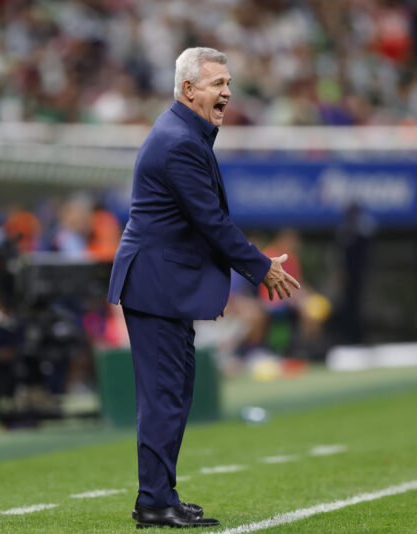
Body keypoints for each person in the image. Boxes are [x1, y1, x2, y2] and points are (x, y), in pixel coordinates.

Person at [107, 47, 300, 529]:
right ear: (188, 89)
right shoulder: (180, 141)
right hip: (155, 286)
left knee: (173, 393)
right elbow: (211, 223)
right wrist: (260, 267)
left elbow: (205, 223)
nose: (228, 93)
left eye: (229, 83)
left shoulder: (184, 133)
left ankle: (160, 494)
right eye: (217, 84)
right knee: (163, 396)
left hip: (162, 286)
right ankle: (153, 502)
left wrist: (252, 261)